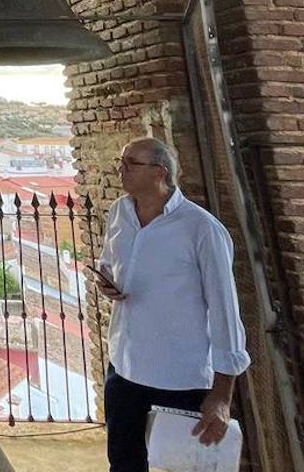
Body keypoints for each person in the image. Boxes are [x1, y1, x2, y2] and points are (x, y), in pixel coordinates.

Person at [94, 137, 251, 472]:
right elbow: (108, 262)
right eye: (120, 161)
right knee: (123, 463)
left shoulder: (202, 229)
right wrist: (107, 282)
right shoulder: (119, 212)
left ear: (159, 172)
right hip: (124, 367)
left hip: (181, 377)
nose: (120, 169)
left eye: (130, 163)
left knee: (180, 466)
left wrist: (222, 394)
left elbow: (225, 310)